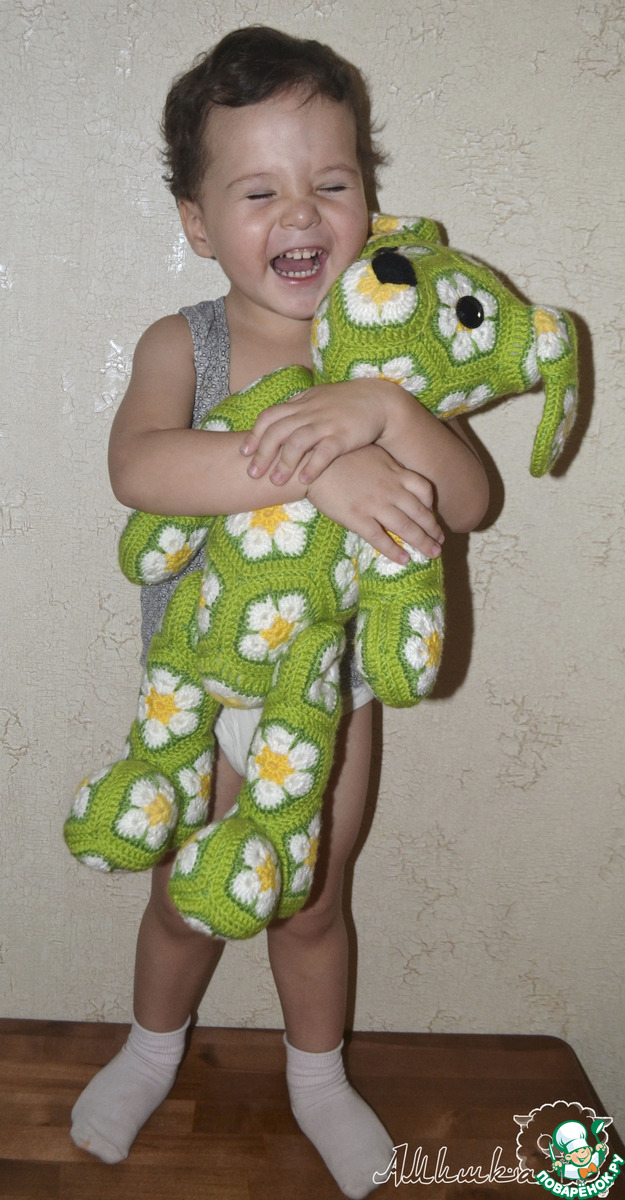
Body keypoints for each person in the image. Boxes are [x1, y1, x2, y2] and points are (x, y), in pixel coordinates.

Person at [70, 26, 489, 1199]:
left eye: (331, 183)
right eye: (259, 191)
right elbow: (142, 468)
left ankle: (317, 1079)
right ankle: (150, 1052)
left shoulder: (390, 356)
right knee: (183, 902)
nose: (300, 213)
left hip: (332, 703)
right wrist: (314, 471)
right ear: (199, 223)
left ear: (367, 200)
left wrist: (386, 418)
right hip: (198, 701)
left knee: (309, 904)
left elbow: (470, 500)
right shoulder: (184, 344)